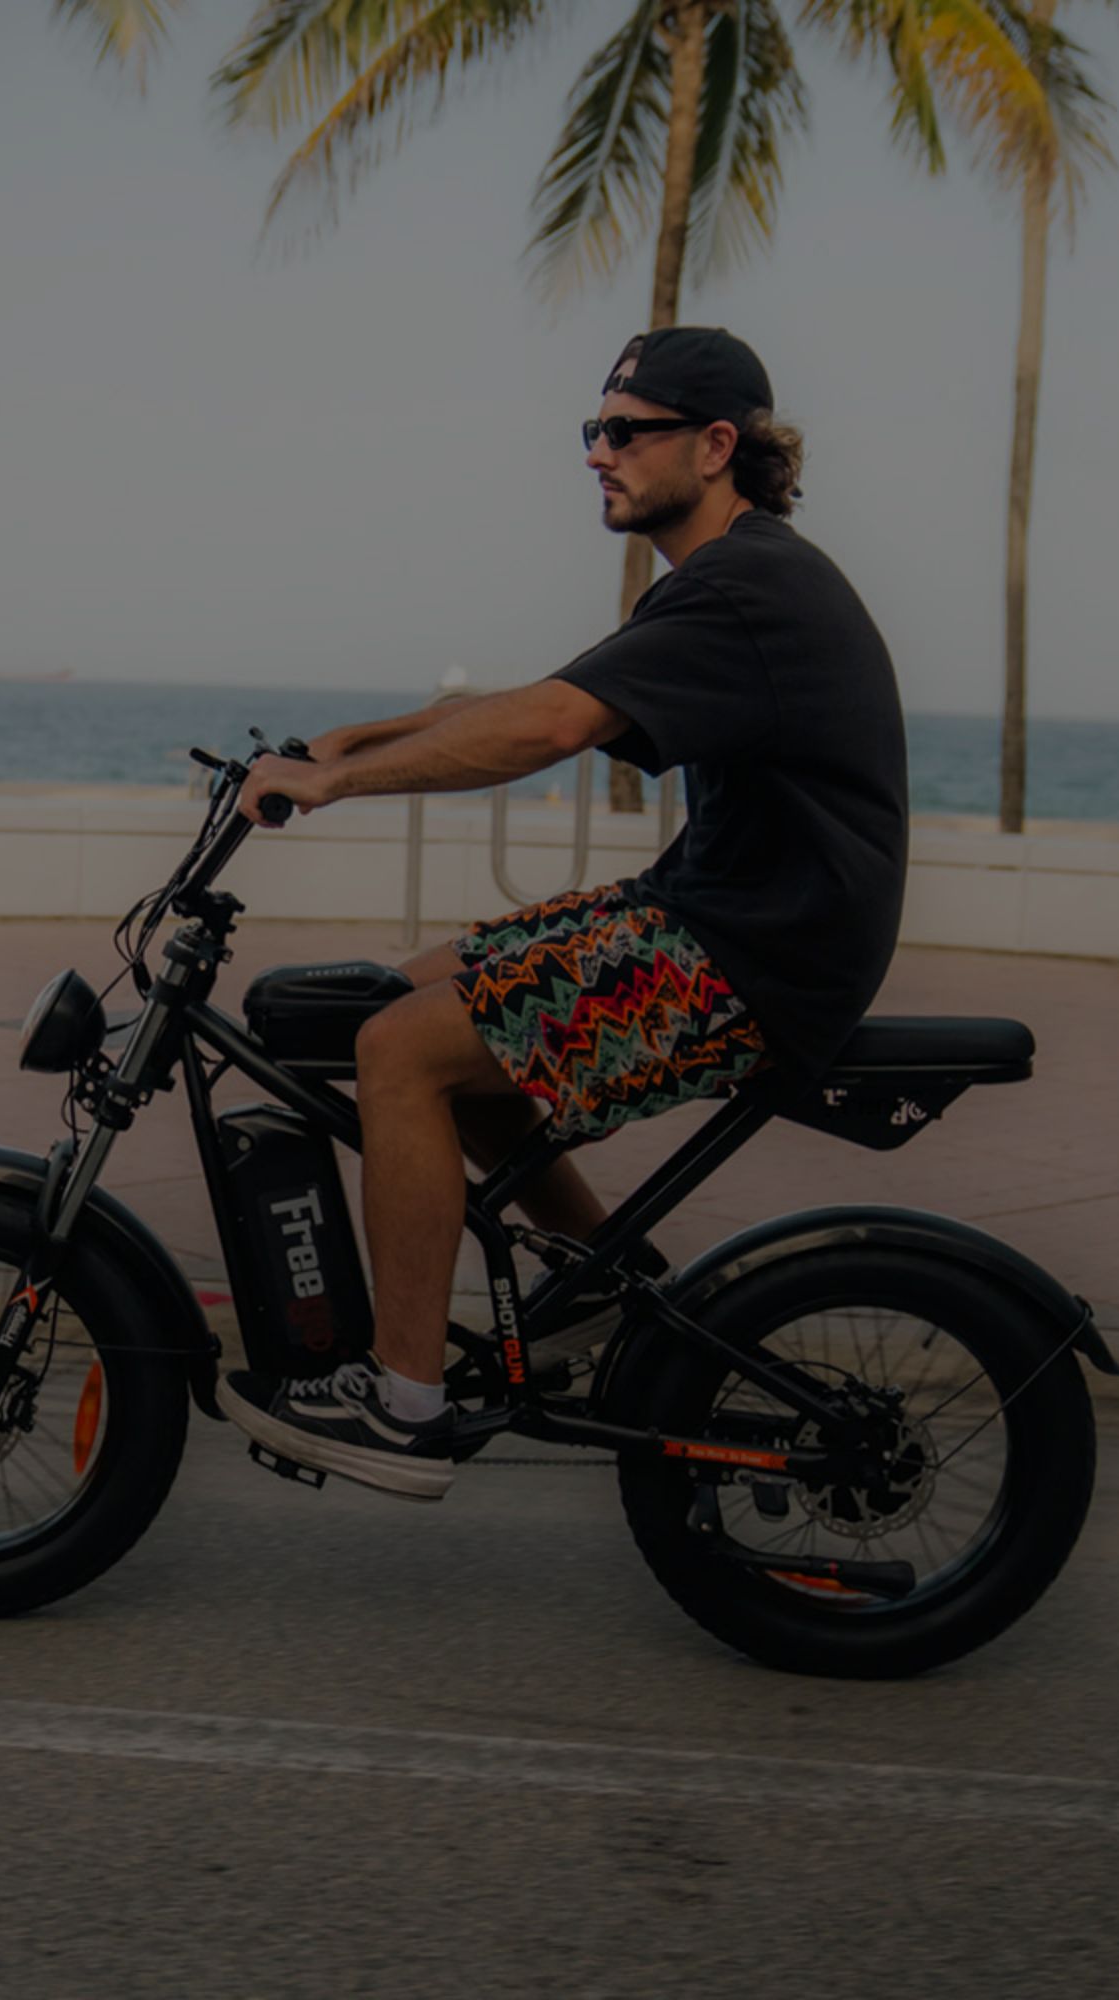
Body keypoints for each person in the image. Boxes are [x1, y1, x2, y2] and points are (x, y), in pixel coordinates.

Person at [217, 327, 909, 1501]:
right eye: (593, 430)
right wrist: (357, 738)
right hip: (712, 913)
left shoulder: (749, 584)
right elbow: (552, 692)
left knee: (398, 1051)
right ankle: (597, 1278)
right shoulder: (727, 576)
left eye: (626, 431)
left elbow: (549, 729)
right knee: (411, 1002)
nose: (599, 453)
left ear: (718, 443)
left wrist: (336, 786)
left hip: (752, 954)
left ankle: (406, 1400)